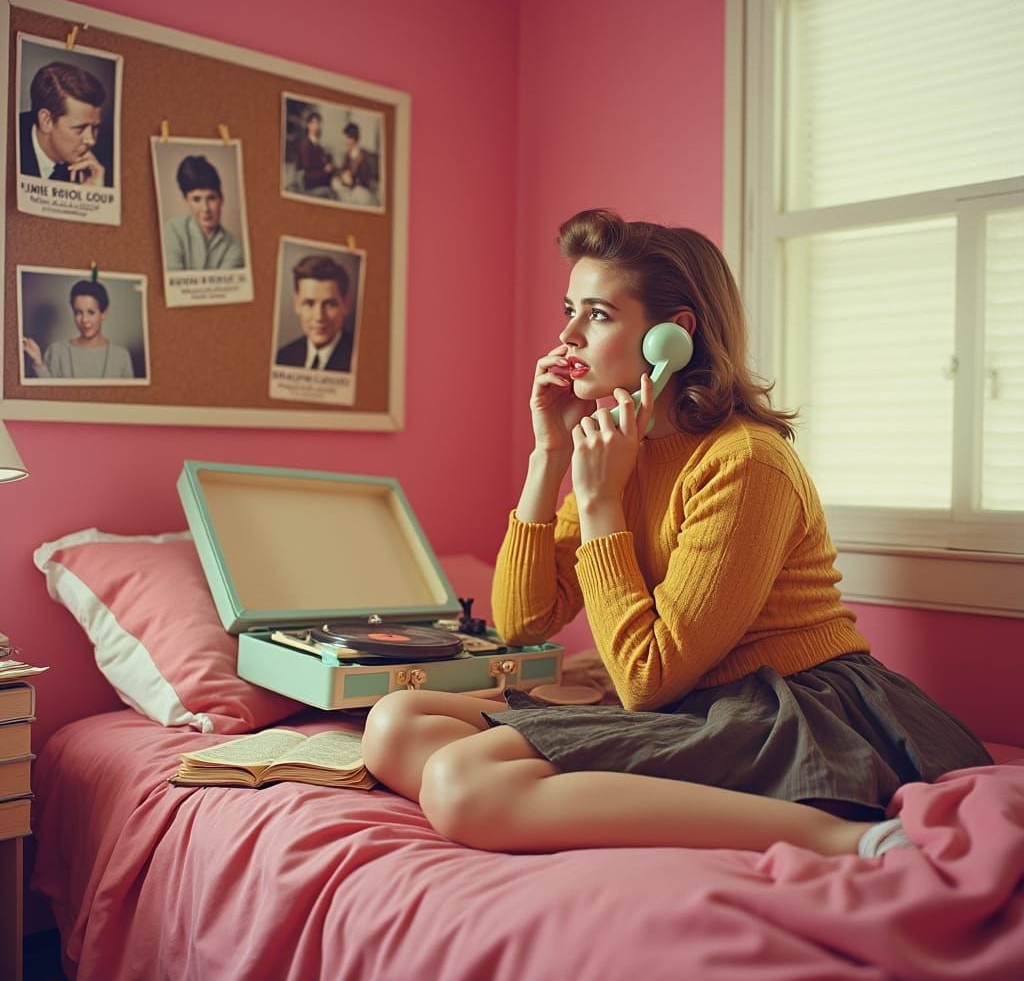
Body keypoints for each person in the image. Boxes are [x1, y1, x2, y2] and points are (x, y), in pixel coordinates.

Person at [361, 207, 992, 859]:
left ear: (674, 335)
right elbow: (523, 620)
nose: (567, 335)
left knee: (462, 783)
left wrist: (601, 500)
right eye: (569, 308)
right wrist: (548, 454)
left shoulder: (746, 460)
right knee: (395, 724)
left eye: (598, 315)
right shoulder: (615, 449)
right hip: (687, 695)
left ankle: (846, 837)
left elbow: (645, 681)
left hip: (785, 704)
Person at [21, 279, 135, 379]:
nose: (84, 320)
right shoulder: (56, 351)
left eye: (91, 312)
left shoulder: (121, 356)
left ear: (103, 313)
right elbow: (48, 395)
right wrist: (38, 363)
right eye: (78, 312)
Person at [19, 61, 109, 186]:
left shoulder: (93, 167)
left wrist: (92, 195)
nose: (91, 140)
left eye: (95, 128)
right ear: (46, 121)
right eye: (80, 128)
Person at [163, 155, 245, 272]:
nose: (205, 208)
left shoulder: (234, 247)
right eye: (196, 199)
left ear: (221, 199)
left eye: (211, 198)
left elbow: (221, 290)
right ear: (186, 201)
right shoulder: (172, 231)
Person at [275, 255, 354, 372]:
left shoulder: (358, 359)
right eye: (309, 304)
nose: (319, 317)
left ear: (346, 305)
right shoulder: (282, 357)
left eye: (329, 304)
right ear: (296, 305)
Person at [332, 122, 378, 204]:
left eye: (346, 138)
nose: (345, 141)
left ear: (352, 139)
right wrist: (343, 175)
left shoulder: (364, 157)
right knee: (335, 182)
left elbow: (366, 179)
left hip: (359, 189)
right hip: (347, 187)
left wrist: (352, 181)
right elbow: (342, 170)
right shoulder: (347, 155)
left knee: (360, 194)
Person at [294, 111, 335, 195]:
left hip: (317, 176)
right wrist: (325, 171)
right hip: (309, 180)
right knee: (330, 190)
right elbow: (308, 169)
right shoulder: (305, 145)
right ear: (308, 125)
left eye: (318, 123)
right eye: (314, 123)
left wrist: (327, 166)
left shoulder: (318, 146)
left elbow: (321, 163)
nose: (316, 126)